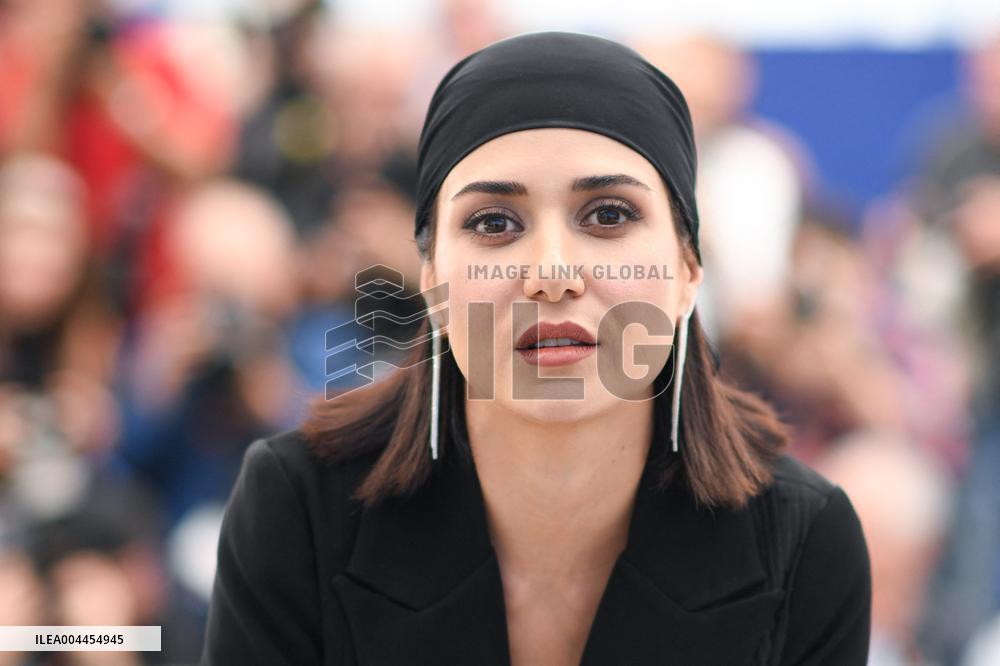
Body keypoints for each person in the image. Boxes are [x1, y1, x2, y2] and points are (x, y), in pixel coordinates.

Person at [200, 31, 871, 666]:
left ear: (688, 269)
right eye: (494, 223)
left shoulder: (804, 539)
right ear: (432, 280)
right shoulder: (296, 509)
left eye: (609, 215)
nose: (552, 274)